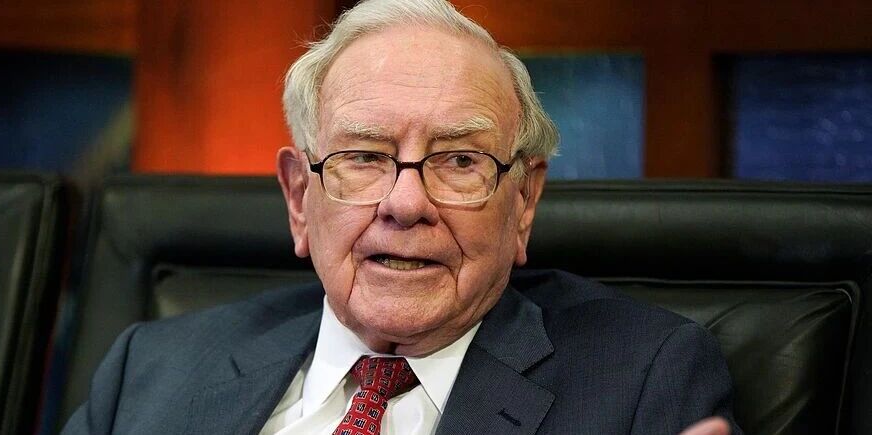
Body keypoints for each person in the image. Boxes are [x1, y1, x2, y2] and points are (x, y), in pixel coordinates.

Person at [62, 0, 741, 433]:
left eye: (460, 161)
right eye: (363, 156)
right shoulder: (151, 373)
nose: (407, 204)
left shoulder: (642, 382)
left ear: (524, 201)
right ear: (298, 198)